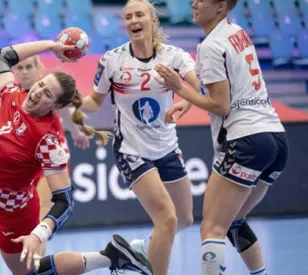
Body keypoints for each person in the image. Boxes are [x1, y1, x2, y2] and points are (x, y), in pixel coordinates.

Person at [0, 39, 152, 275]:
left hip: (13, 211)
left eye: (46, 93)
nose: (37, 93)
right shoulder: (11, 95)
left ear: (56, 106)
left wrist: (38, 233)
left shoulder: (47, 142)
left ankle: (111, 256)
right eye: (40, 85)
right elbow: (0, 56)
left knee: (29, 272)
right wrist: (51, 46)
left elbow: (65, 201)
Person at [154, 1, 289, 274]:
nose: (193, 3)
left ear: (220, 6)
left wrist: (178, 87)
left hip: (245, 139)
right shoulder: (237, 32)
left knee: (212, 227)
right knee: (234, 219)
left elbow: (221, 105)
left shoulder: (210, 45)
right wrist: (189, 101)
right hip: (275, 139)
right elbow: (228, 87)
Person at [80, 0, 199, 274]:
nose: (133, 20)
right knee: (167, 220)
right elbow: (93, 103)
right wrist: (68, 101)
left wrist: (185, 100)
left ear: (153, 20)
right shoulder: (112, 60)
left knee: (184, 219)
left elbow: (199, 88)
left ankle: (141, 250)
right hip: (132, 150)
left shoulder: (175, 57)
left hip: (167, 147)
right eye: (128, 16)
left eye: (139, 15)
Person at [0, 55, 90, 258]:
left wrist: (76, 131)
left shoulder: (50, 93)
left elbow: (64, 112)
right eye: (20, 67)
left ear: (39, 70)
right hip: (21, 162)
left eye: (29, 67)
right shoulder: (13, 94)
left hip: (47, 161)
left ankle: (36, 259)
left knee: (39, 214)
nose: (25, 71)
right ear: (15, 71)